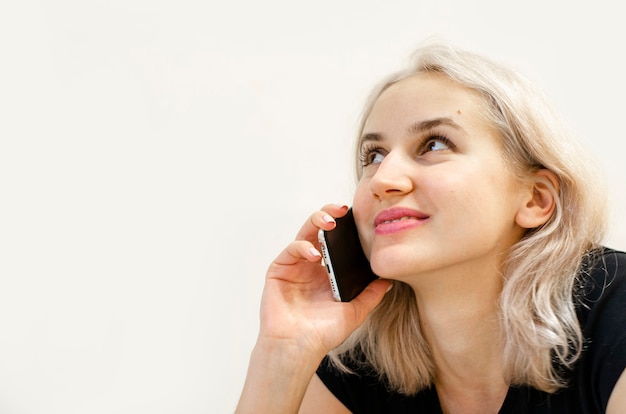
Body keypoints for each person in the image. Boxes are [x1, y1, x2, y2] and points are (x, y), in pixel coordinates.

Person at [235, 40, 626, 413]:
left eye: (434, 145)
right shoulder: (360, 360)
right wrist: (283, 350)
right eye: (374, 155)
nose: (383, 179)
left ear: (535, 199)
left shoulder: (614, 312)